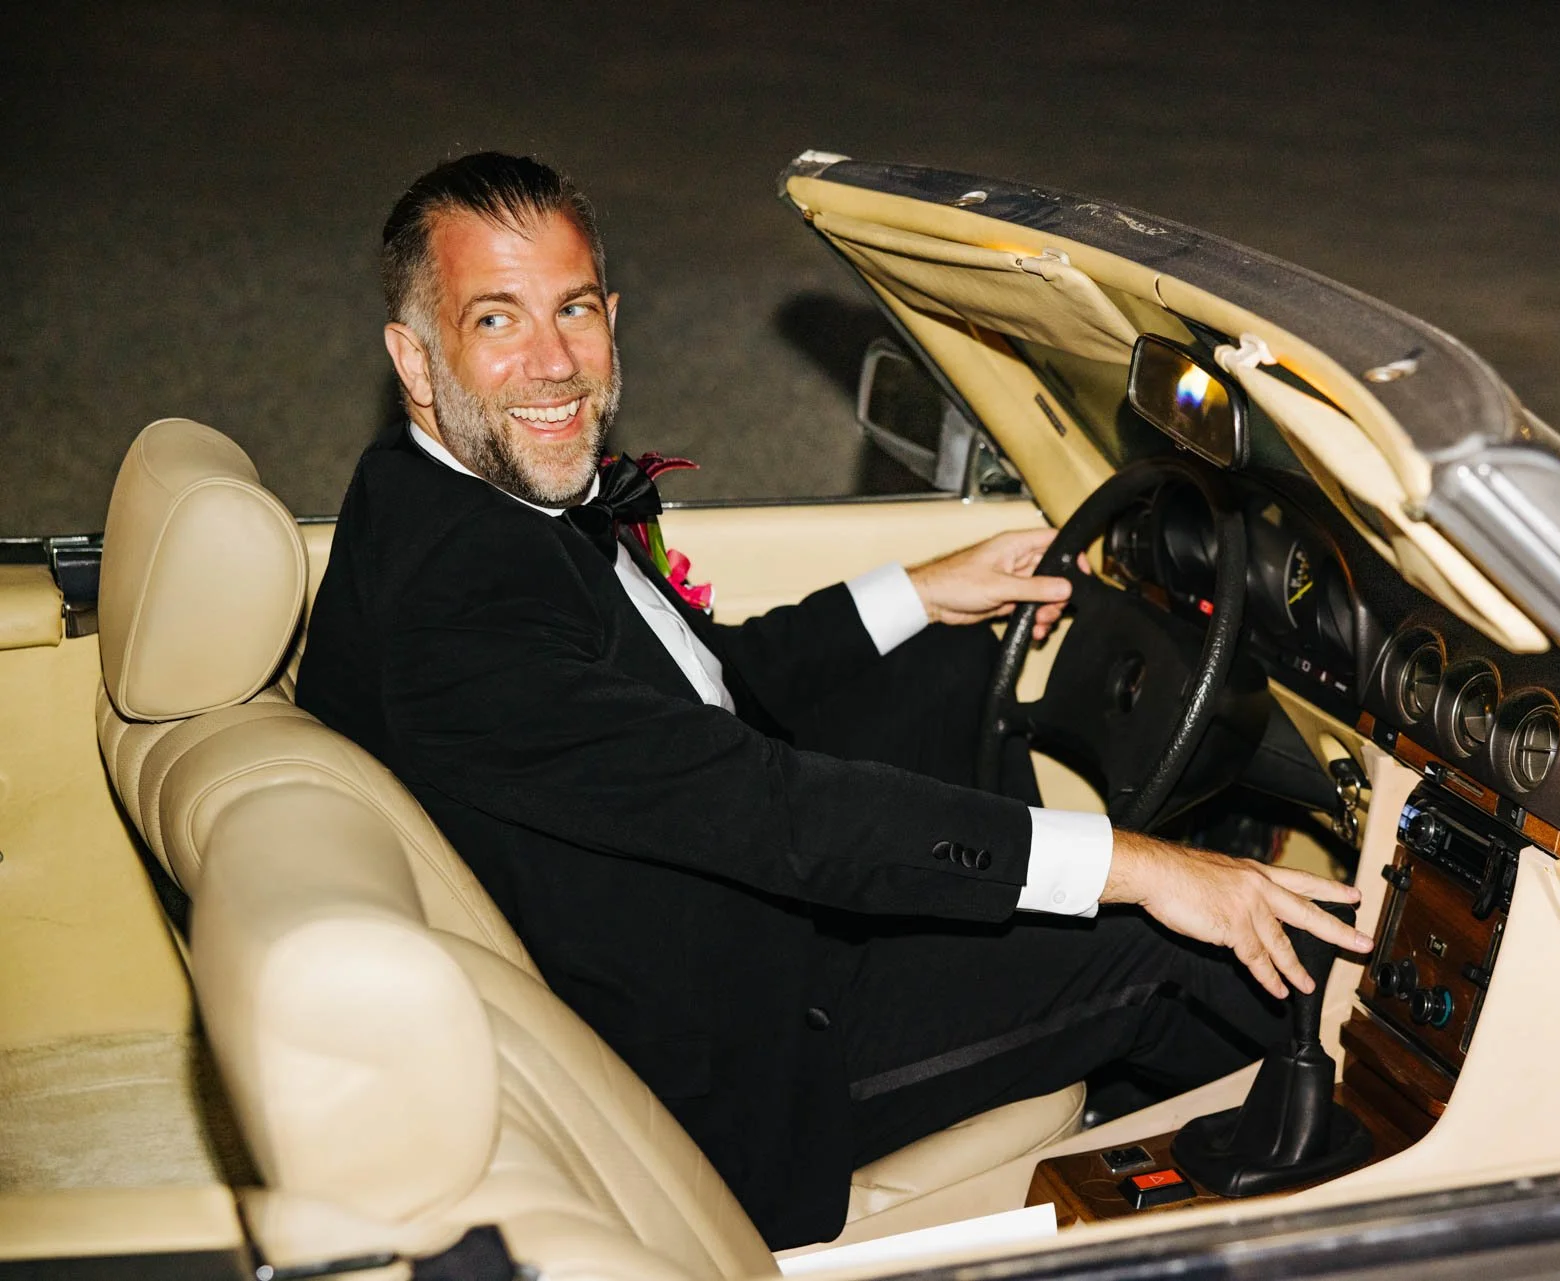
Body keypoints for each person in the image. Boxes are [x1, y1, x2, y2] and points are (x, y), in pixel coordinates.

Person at [297, 152, 1372, 1248]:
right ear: (413, 358)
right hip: (730, 1071)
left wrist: (921, 591)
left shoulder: (450, 493)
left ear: (611, 317)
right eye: (496, 319)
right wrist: (1140, 867)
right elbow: (772, 805)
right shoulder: (462, 611)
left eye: (572, 309)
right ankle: (1376, 1190)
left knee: (947, 671)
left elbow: (701, 684)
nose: (554, 363)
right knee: (1174, 949)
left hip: (693, 941)